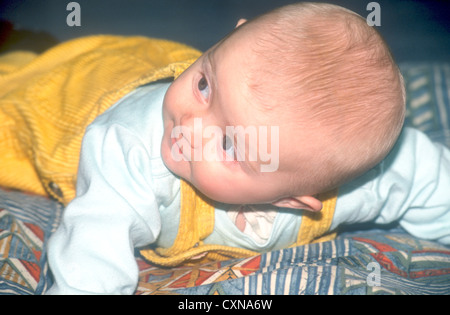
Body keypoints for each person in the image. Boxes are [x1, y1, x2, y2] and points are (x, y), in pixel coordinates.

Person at [0, 3, 448, 295]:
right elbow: (91, 251)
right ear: (229, 38)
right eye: (204, 84)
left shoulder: (362, 181)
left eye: (231, 143)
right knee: (17, 85)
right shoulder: (130, 152)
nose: (190, 125)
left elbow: (431, 181)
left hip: (134, 64)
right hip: (60, 107)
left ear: (294, 201)